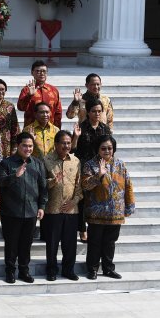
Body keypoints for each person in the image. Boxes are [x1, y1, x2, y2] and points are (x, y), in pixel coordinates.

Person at [81, 135, 135, 280]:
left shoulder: (120, 164)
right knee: (94, 243)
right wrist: (98, 175)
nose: (107, 151)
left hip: (115, 213)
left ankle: (108, 269)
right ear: (98, 149)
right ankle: (92, 269)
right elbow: (85, 186)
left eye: (109, 148)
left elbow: (128, 185)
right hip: (96, 214)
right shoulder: (90, 165)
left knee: (110, 243)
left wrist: (129, 205)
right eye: (103, 148)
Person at [0, 132, 47, 284]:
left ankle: (24, 271)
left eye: (30, 146)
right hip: (11, 212)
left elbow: (43, 187)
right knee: (11, 244)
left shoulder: (38, 164)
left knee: (26, 244)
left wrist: (42, 206)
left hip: (31, 211)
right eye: (24, 145)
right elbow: (0, 182)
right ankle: (10, 271)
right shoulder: (7, 163)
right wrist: (15, 176)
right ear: (17, 146)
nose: (28, 149)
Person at [43, 130, 82, 281]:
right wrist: (53, 181)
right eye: (63, 143)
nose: (66, 146)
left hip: (71, 210)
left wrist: (75, 200)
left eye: (68, 143)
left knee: (70, 244)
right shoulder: (46, 160)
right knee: (52, 244)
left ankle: (68, 270)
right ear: (56, 144)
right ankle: (51, 270)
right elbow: (42, 184)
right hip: (53, 209)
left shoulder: (76, 161)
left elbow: (79, 185)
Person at [72, 99, 112, 243]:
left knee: (100, 196)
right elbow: (73, 150)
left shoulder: (104, 128)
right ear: (88, 112)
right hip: (84, 167)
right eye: (94, 111)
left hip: (101, 166)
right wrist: (75, 137)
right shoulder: (81, 127)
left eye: (99, 111)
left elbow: (109, 148)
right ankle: (82, 230)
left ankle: (97, 226)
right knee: (83, 200)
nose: (97, 114)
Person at [17, 60, 62, 128]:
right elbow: (21, 107)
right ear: (32, 73)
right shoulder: (26, 90)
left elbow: (58, 112)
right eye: (38, 71)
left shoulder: (54, 90)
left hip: (50, 130)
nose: (41, 73)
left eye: (44, 71)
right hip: (31, 130)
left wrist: (57, 130)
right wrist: (29, 96)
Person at [0, 79, 20, 157]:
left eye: (3, 89)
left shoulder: (10, 106)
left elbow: (14, 125)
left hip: (6, 142)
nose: (0, 92)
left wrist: (15, 145)